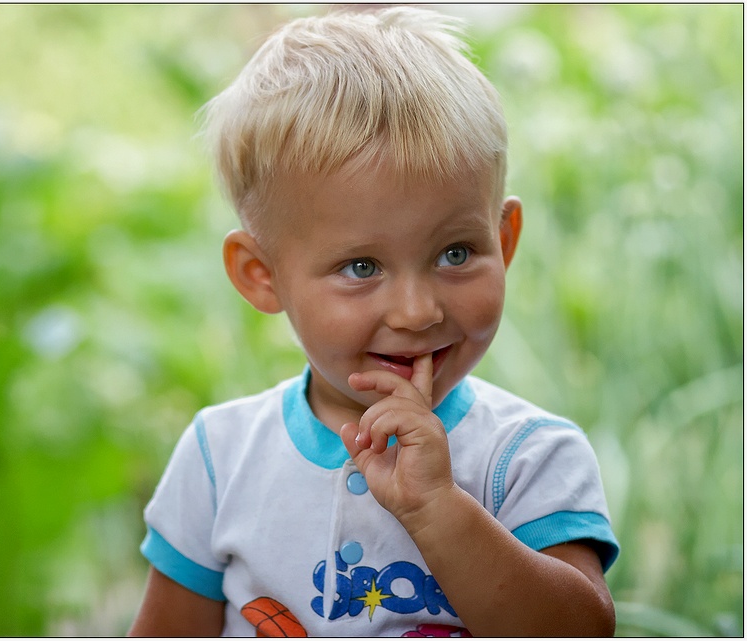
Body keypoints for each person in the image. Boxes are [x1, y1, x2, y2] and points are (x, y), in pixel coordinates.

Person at [129, 6, 619, 637]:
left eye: (456, 253)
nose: (418, 312)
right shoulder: (220, 458)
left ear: (505, 239)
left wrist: (439, 510)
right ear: (262, 275)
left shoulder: (526, 457)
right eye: (361, 266)